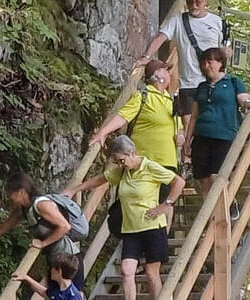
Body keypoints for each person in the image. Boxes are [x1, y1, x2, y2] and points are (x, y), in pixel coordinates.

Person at [62, 135, 185, 300]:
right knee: (126, 271)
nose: (120, 164)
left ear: (132, 153)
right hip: (130, 229)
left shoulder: (149, 167)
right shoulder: (121, 172)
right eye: (117, 162)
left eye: (122, 160)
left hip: (152, 227)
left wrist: (166, 204)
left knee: (151, 274)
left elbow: (178, 182)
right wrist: (75, 189)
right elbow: (101, 179)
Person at [133, 0, 230, 179]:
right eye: (190, 0)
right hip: (189, 83)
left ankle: (208, 162)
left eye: (198, 0)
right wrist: (147, 57)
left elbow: (223, 50)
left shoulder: (217, 22)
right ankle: (188, 162)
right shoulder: (178, 20)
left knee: (210, 121)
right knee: (188, 123)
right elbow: (161, 37)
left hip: (212, 82)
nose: (194, 4)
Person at [0, 173, 85, 299]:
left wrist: (43, 243)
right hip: (54, 262)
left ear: (21, 192)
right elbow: (1, 228)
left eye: (11, 194)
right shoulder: (23, 210)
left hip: (68, 262)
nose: (9, 197)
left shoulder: (42, 205)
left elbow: (65, 226)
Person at [89, 59, 182, 231]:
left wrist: (181, 138)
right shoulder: (143, 96)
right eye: (166, 71)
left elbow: (179, 130)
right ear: (158, 76)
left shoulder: (171, 102)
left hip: (167, 162)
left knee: (164, 205)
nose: (169, 74)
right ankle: (135, 244)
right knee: (137, 203)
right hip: (141, 162)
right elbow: (123, 116)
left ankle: (157, 246)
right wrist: (102, 132)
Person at [183, 48, 250, 219]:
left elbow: (243, 99)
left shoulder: (233, 82)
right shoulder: (201, 87)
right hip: (201, 136)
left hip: (224, 135)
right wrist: (187, 141)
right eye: (204, 62)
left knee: (218, 176)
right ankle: (211, 216)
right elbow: (194, 116)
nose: (207, 65)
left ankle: (228, 204)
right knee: (203, 178)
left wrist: (248, 104)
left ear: (220, 62)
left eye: (211, 61)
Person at [12, 252, 82, 300]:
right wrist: (26, 278)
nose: (50, 270)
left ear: (59, 271)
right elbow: (44, 292)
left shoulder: (73, 297)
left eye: (53, 267)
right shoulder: (58, 287)